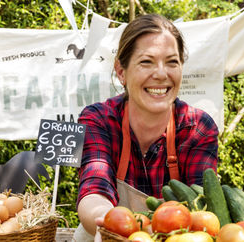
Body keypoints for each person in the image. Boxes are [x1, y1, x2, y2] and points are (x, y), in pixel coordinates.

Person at [74, 13, 219, 241]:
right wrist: (109, 223)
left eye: (172, 62)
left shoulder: (198, 128)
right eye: (146, 62)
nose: (161, 74)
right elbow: (94, 190)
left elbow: (200, 210)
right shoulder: (98, 119)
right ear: (121, 72)